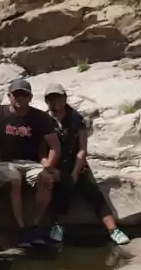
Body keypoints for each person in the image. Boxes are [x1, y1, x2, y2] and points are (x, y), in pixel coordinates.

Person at [43, 82, 130, 246]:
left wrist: (76, 172)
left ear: (64, 98)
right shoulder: (45, 120)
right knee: (60, 191)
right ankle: (58, 226)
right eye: (51, 99)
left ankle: (114, 230)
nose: (55, 103)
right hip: (56, 165)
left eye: (58, 98)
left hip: (77, 162)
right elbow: (41, 148)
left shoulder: (76, 119)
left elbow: (82, 149)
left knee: (93, 192)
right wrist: (49, 167)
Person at [0, 79, 61, 246]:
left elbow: (54, 146)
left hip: (31, 163)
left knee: (47, 179)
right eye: (16, 94)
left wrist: (49, 164)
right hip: (5, 161)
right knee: (14, 180)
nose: (20, 98)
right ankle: (21, 228)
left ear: (30, 97)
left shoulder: (40, 118)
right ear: (9, 96)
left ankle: (34, 225)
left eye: (24, 94)